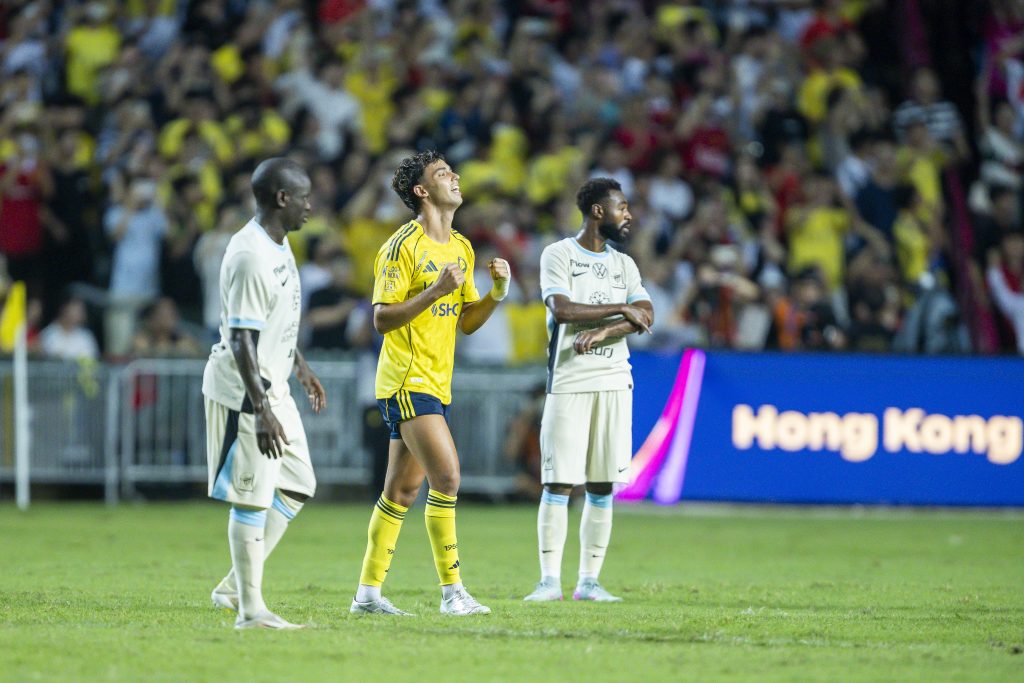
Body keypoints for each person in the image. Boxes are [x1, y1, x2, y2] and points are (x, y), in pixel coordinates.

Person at [350, 150, 511, 617]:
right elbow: (381, 319)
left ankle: (367, 595)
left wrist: (497, 294)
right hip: (406, 379)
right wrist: (436, 290)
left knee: (399, 493)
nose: (455, 176)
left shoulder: (461, 247)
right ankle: (452, 593)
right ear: (422, 191)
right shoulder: (401, 246)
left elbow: (467, 322)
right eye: (442, 173)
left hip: (437, 382)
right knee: (448, 477)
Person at [201, 157, 327, 629]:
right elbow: (241, 339)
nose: (310, 207)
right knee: (251, 496)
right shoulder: (251, 255)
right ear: (282, 198)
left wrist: (300, 366)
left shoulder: (279, 242)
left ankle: (233, 587)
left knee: (297, 483)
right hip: (245, 392)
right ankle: (250, 610)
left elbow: (274, 320)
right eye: (304, 198)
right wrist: (261, 409)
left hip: (273, 384)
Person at [524, 178, 653, 603]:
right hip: (569, 381)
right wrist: (620, 308)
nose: (628, 215)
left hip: (615, 381)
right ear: (598, 211)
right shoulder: (558, 254)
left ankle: (589, 582)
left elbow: (647, 313)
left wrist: (604, 332)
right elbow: (561, 309)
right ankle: (548, 582)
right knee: (558, 483)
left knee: (601, 485)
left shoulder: (625, 264)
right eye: (622, 207)